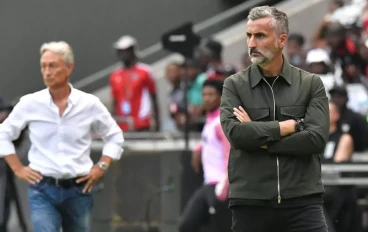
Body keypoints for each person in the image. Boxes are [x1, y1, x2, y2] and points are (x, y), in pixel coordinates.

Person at [220, 6, 329, 232]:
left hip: (303, 200)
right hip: (251, 202)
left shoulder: (310, 84)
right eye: (248, 36)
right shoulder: (234, 85)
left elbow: (316, 139)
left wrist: (261, 138)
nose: (251, 44)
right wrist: (286, 127)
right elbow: (238, 135)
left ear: (281, 40)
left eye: (260, 36)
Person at [0, 41, 124, 232]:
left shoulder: (89, 104)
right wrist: (17, 168)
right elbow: (3, 134)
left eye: (53, 66)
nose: (47, 72)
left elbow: (115, 136)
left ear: (69, 68)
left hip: (79, 188)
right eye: (43, 66)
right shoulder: (30, 103)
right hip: (42, 188)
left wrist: (102, 166)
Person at [179, 79, 231, 232]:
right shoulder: (211, 120)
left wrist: (226, 183)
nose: (207, 98)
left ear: (221, 97)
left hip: (220, 185)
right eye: (204, 94)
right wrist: (199, 147)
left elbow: (231, 153)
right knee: (187, 225)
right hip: (208, 184)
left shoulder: (223, 121)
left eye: (211, 94)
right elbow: (210, 140)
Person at [322, 101, 359, 232]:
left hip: (336, 189)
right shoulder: (314, 138)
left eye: (328, 112)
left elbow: (336, 165)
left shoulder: (344, 138)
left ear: (336, 115)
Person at [110, 35, 160, 132]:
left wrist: (157, 123)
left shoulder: (145, 71)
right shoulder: (115, 75)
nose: (123, 54)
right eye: (120, 51)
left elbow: (153, 97)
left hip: (142, 123)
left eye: (126, 50)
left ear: (133, 51)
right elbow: (114, 101)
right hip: (122, 125)